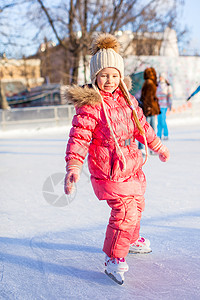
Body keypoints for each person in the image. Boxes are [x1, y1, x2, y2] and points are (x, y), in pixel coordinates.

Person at [63, 33, 169, 285]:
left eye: (114, 75)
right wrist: (73, 166)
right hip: (109, 169)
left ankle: (130, 240)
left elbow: (143, 128)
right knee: (124, 212)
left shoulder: (128, 101)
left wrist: (158, 147)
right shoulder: (91, 106)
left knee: (138, 206)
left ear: (121, 76)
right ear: (95, 77)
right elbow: (79, 137)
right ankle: (114, 257)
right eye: (104, 75)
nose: (109, 80)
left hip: (132, 165)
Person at [138, 67, 160, 154]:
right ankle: (144, 147)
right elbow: (147, 97)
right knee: (148, 129)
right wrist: (148, 108)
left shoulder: (148, 83)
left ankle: (147, 147)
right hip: (149, 109)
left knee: (148, 129)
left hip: (149, 108)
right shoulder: (149, 83)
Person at [157, 73, 172, 140]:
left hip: (164, 105)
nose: (160, 78)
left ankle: (166, 134)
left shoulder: (167, 86)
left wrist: (170, 105)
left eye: (162, 77)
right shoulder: (157, 85)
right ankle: (159, 135)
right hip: (157, 106)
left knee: (163, 120)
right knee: (159, 121)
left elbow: (170, 96)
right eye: (160, 77)